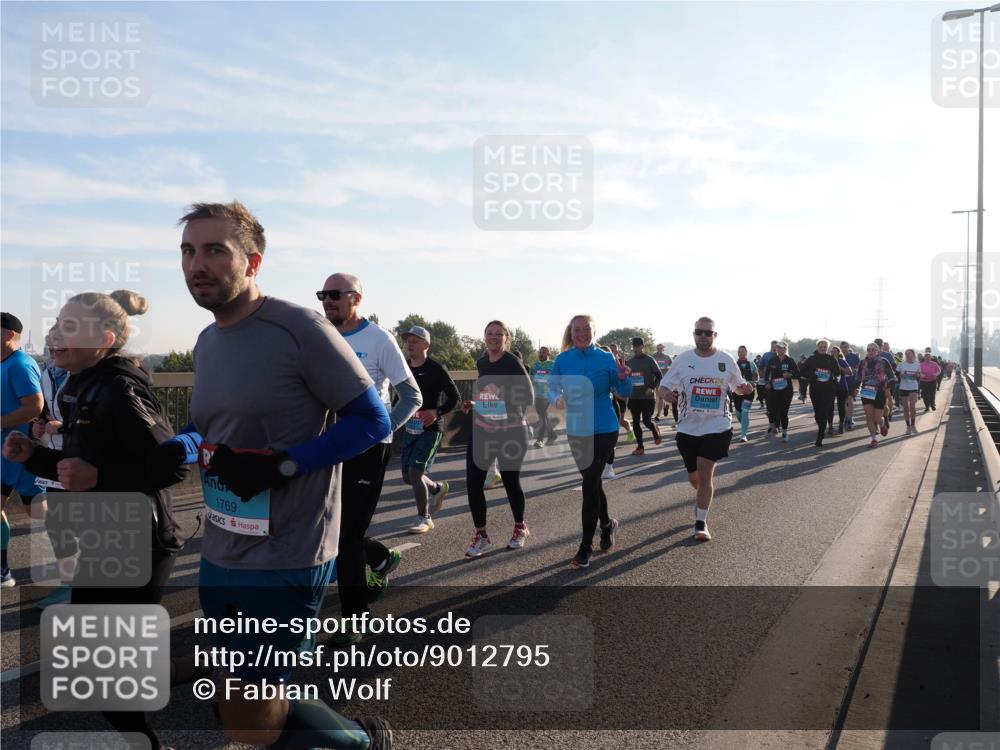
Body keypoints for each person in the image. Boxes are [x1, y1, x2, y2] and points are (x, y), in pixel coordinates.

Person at [177, 201, 394, 749]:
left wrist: (282, 465)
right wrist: (175, 446)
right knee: (240, 694)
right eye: (188, 251)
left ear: (253, 262)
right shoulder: (207, 341)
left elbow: (373, 420)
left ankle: (362, 741)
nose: (196, 264)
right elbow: (209, 426)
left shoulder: (300, 328)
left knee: (248, 715)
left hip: (288, 549)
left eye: (214, 250)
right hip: (222, 545)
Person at [4, 291, 188, 750]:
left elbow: (173, 465)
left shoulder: (120, 389)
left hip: (140, 540)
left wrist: (100, 476)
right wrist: (33, 457)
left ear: (104, 340)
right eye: (55, 324)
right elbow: (79, 467)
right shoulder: (79, 385)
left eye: (69, 327)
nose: (54, 335)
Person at [319, 272, 421, 643]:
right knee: (328, 527)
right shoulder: (321, 336)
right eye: (322, 295)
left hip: (367, 449)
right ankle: (379, 557)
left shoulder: (379, 339)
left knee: (345, 535)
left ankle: (355, 619)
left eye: (335, 294)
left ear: (356, 298)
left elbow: (412, 397)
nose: (327, 301)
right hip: (329, 446)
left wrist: (379, 431)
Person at [659, 317, 754, 541]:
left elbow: (738, 387)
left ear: (715, 335)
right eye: (699, 332)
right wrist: (666, 394)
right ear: (694, 334)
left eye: (708, 333)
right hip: (688, 428)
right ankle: (703, 494)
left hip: (717, 426)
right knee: (695, 477)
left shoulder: (725, 360)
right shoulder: (683, 360)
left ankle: (700, 523)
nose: (703, 336)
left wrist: (746, 388)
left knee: (705, 473)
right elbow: (663, 385)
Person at [548, 315, 632, 568]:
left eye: (587, 329)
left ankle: (585, 547)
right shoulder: (563, 359)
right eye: (577, 329)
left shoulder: (606, 358)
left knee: (589, 483)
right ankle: (607, 524)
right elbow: (551, 388)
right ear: (571, 332)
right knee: (593, 482)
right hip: (577, 430)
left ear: (594, 332)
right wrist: (556, 399)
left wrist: (624, 378)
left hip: (605, 428)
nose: (582, 333)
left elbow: (623, 393)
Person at [461, 320, 533, 558]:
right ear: (484, 337)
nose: (493, 337)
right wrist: (476, 403)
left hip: (511, 431)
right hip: (483, 429)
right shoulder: (482, 362)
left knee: (511, 482)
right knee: (474, 483)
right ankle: (482, 536)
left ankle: (520, 527)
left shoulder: (512, 362)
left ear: (506, 338)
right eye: (489, 333)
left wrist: (495, 401)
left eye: (498, 334)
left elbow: (528, 396)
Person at [401, 326, 459, 535]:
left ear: (426, 344)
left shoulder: (436, 368)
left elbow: (455, 398)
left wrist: (437, 412)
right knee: (407, 476)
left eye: (415, 340)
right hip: (410, 428)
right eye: (408, 340)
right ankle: (437, 489)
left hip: (431, 429)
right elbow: (399, 397)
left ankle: (424, 518)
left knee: (415, 473)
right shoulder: (403, 367)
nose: (410, 343)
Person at [1, 312, 44, 587]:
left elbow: (35, 406)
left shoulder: (20, 364)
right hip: (6, 452)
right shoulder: (4, 363)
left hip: (21, 453)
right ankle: (2, 571)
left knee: (40, 513)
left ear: (8, 334)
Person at [32, 354, 75, 607]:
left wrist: (64, 427)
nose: (53, 340)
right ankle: (68, 584)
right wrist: (37, 426)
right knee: (57, 523)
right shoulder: (48, 372)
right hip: (55, 456)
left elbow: (103, 420)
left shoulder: (89, 372)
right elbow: (45, 412)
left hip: (84, 458)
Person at [799, 340, 842, 447]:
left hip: (828, 389)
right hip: (815, 389)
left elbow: (837, 373)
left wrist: (835, 379)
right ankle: (821, 427)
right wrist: (812, 374)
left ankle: (820, 435)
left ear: (827, 348)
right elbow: (803, 371)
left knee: (824, 412)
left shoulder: (831, 359)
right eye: (821, 346)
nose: (823, 348)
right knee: (818, 413)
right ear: (817, 347)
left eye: (825, 346)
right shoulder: (812, 359)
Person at [625, 337, 662, 456]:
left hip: (647, 398)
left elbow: (659, 376)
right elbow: (627, 378)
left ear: (642, 346)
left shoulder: (650, 360)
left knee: (646, 421)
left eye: (638, 346)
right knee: (635, 422)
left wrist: (652, 387)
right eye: (634, 346)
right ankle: (640, 447)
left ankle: (654, 429)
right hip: (634, 397)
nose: (636, 349)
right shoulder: (630, 362)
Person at [857, 343, 892, 448]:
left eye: (873, 349)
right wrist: (855, 388)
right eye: (869, 349)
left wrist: (888, 389)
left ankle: (882, 424)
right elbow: (858, 377)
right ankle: (874, 439)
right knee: (869, 416)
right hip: (866, 391)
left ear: (878, 351)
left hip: (879, 391)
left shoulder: (883, 361)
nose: (871, 351)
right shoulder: (862, 362)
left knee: (877, 418)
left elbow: (891, 377)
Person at [763, 341, 799, 442]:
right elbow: (767, 373)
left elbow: (797, 374)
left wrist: (790, 375)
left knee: (783, 412)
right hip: (774, 389)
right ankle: (772, 426)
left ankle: (785, 432)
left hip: (786, 390)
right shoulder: (772, 360)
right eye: (777, 348)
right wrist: (767, 382)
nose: (779, 349)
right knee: (772, 410)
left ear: (785, 349)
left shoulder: (790, 360)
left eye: (781, 348)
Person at [530, 346, 558, 447]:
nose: (541, 354)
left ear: (548, 354)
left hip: (547, 395)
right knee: (543, 416)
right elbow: (531, 377)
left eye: (543, 352)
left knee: (542, 417)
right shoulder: (536, 365)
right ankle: (552, 435)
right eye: (540, 352)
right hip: (537, 395)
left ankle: (540, 439)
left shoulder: (553, 364)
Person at [608, 343, 635, 443]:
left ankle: (630, 431)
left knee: (621, 420)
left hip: (621, 394)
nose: (612, 352)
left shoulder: (623, 364)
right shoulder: (605, 363)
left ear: (617, 351)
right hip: (609, 395)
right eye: (610, 350)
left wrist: (626, 373)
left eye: (613, 350)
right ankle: (611, 441)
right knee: (611, 419)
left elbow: (629, 379)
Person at [732, 346, 758, 442]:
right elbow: (731, 378)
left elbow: (756, 376)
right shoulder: (734, 365)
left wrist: (754, 383)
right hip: (737, 391)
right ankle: (745, 426)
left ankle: (743, 435)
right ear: (737, 353)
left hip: (749, 392)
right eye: (739, 351)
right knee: (739, 414)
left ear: (746, 352)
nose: (741, 353)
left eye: (743, 351)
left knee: (745, 411)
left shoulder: (751, 364)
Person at [896, 348, 922, 435]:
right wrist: (900, 375)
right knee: (906, 408)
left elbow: (919, 375)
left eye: (910, 353)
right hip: (903, 387)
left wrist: (917, 375)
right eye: (907, 354)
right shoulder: (901, 364)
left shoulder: (917, 364)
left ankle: (913, 425)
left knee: (912, 407)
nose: (908, 355)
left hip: (913, 387)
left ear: (913, 355)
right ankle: (908, 427)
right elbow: (896, 374)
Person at [830, 345, 852, 434]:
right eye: (832, 351)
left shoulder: (842, 361)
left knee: (841, 407)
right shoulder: (828, 361)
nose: (833, 353)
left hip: (841, 386)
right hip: (830, 387)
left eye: (835, 351)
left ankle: (841, 425)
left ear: (839, 353)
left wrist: (839, 367)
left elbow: (850, 372)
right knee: (830, 407)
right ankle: (830, 426)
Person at [840, 341, 861, 430]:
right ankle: (846, 418)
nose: (843, 349)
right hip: (842, 382)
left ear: (848, 347)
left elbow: (858, 370)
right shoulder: (839, 356)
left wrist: (858, 386)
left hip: (852, 381)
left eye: (845, 347)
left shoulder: (854, 357)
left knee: (850, 400)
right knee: (844, 401)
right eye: (842, 347)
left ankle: (849, 419)